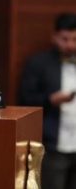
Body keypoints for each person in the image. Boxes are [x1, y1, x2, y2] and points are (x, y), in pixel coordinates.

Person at [20, 12, 76, 189]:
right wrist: (50, 99)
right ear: (54, 37)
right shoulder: (38, 63)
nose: (70, 45)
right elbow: (25, 100)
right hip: (53, 146)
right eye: (64, 39)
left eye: (75, 39)